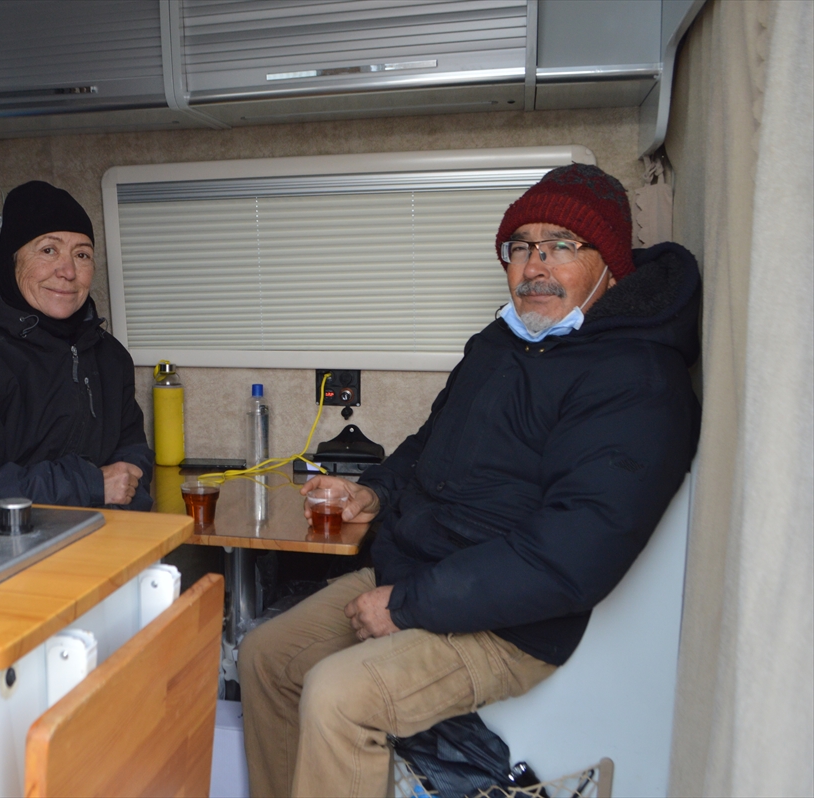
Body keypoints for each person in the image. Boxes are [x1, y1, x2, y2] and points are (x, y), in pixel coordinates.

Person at [239, 163, 702, 797]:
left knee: (338, 695)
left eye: (561, 246)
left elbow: (572, 557)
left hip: (511, 623)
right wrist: (374, 491)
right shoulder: (501, 343)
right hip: (419, 575)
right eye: (521, 247)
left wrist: (406, 605)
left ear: (611, 265)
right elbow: (429, 445)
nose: (535, 267)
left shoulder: (638, 379)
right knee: (265, 656)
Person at [0, 181, 153, 510]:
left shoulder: (109, 356)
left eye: (82, 255)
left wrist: (126, 483)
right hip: (4, 539)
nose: (68, 271)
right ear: (12, 258)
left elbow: (133, 453)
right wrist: (90, 485)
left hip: (104, 533)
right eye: (49, 250)